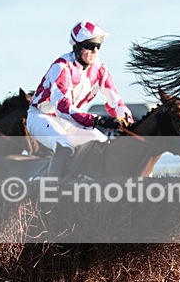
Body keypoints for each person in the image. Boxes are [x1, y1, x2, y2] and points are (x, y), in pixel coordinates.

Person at [26, 20, 134, 176]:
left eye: (98, 46)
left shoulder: (100, 69)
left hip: (68, 120)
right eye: (90, 46)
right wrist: (97, 120)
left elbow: (116, 101)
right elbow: (63, 108)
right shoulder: (61, 67)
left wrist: (129, 123)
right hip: (41, 117)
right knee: (65, 146)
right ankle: (50, 194)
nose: (95, 50)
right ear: (76, 47)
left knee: (103, 144)